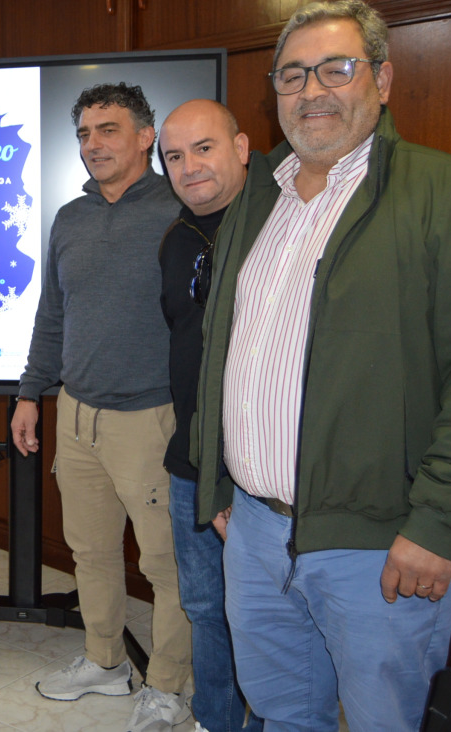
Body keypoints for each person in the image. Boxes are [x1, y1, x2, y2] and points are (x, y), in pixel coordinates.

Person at [191, 2, 451, 728]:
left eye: (336, 69)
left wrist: (439, 524)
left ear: (383, 80)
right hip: (255, 532)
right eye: (292, 75)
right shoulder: (257, 201)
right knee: (282, 714)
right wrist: (220, 484)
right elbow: (222, 352)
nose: (312, 91)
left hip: (379, 545)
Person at [11, 83, 192, 730]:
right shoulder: (71, 218)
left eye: (108, 130)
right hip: (76, 415)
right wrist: (30, 391)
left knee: (166, 565)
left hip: (149, 421)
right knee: (89, 552)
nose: (93, 144)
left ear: (146, 137)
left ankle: (168, 688)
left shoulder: (180, 213)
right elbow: (52, 316)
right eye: (85, 133)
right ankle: (106, 662)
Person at [156, 99, 260, 732]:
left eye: (204, 148)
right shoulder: (175, 240)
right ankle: (215, 720)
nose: (189, 166)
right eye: (175, 156)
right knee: (203, 606)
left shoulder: (277, 227)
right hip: (191, 461)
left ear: (241, 148)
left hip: (257, 471)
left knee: (263, 616)